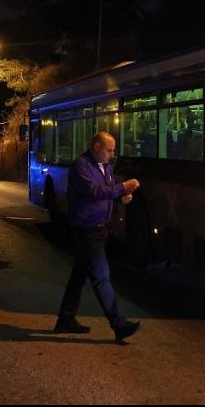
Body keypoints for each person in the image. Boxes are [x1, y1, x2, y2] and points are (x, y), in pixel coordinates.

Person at [54, 131, 142, 342]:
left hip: (100, 228)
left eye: (113, 151)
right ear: (96, 147)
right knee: (101, 277)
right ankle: (119, 324)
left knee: (79, 276)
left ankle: (65, 318)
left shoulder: (107, 167)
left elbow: (107, 193)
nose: (112, 155)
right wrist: (123, 187)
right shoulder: (81, 166)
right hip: (87, 229)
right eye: (109, 150)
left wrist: (120, 199)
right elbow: (94, 191)